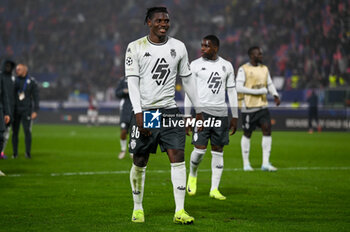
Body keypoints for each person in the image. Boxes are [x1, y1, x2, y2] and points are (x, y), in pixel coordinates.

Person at [125, 7, 202, 224]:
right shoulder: (135, 47)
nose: (164, 24)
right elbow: (132, 83)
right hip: (147, 111)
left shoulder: (178, 47)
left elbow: (187, 79)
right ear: (148, 22)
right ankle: (138, 208)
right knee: (140, 160)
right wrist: (139, 113)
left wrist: (199, 109)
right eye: (159, 20)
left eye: (166, 21)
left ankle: (180, 210)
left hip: (169, 110)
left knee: (178, 157)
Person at [184, 35, 238, 200]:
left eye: (206, 46)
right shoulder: (195, 65)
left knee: (218, 151)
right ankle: (192, 175)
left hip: (221, 114)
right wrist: (187, 115)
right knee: (199, 150)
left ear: (215, 47)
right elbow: (189, 91)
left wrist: (234, 115)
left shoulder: (226, 66)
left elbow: (231, 91)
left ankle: (214, 189)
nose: (202, 49)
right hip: (202, 114)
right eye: (202, 45)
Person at [236, 46, 280, 172]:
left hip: (262, 106)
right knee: (247, 134)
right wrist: (257, 92)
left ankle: (265, 163)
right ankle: (246, 164)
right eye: (258, 54)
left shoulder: (264, 69)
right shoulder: (243, 69)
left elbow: (269, 83)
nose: (261, 56)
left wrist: (275, 95)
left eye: (261, 54)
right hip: (249, 107)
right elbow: (238, 87)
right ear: (251, 55)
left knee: (267, 130)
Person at [12, 64, 39, 159]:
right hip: (15, 110)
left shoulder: (31, 81)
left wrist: (36, 110)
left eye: (19, 69)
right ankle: (15, 153)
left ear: (24, 70)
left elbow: (36, 97)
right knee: (14, 132)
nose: (17, 71)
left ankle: (27, 153)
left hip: (26, 110)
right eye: (16, 69)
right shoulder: (14, 80)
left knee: (27, 131)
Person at [0, 59, 15, 159]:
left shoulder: (9, 79)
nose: (8, 68)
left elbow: (4, 96)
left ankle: (1, 153)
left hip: (3, 110)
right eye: (7, 65)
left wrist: (8, 113)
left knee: (2, 135)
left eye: (10, 66)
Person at [115, 76, 133, 159]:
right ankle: (123, 150)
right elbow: (117, 93)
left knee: (134, 133)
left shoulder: (140, 77)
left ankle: (132, 150)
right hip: (125, 110)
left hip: (135, 109)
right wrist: (123, 91)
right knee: (123, 131)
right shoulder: (123, 80)